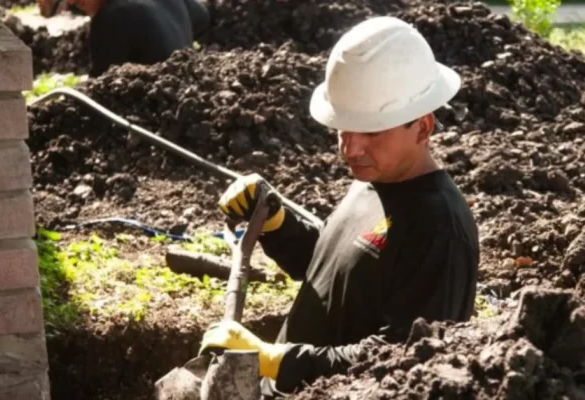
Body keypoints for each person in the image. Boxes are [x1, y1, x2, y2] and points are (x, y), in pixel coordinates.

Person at [199, 16, 479, 397]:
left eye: (372, 132)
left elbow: (403, 359)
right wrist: (279, 226)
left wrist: (275, 359)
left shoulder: (439, 229)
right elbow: (340, 275)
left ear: (423, 127)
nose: (351, 149)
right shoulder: (375, 180)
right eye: (344, 128)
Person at [37, 0, 210, 77]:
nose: (72, 2)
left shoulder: (111, 18)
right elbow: (202, 16)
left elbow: (100, 89)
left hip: (155, 118)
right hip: (188, 89)